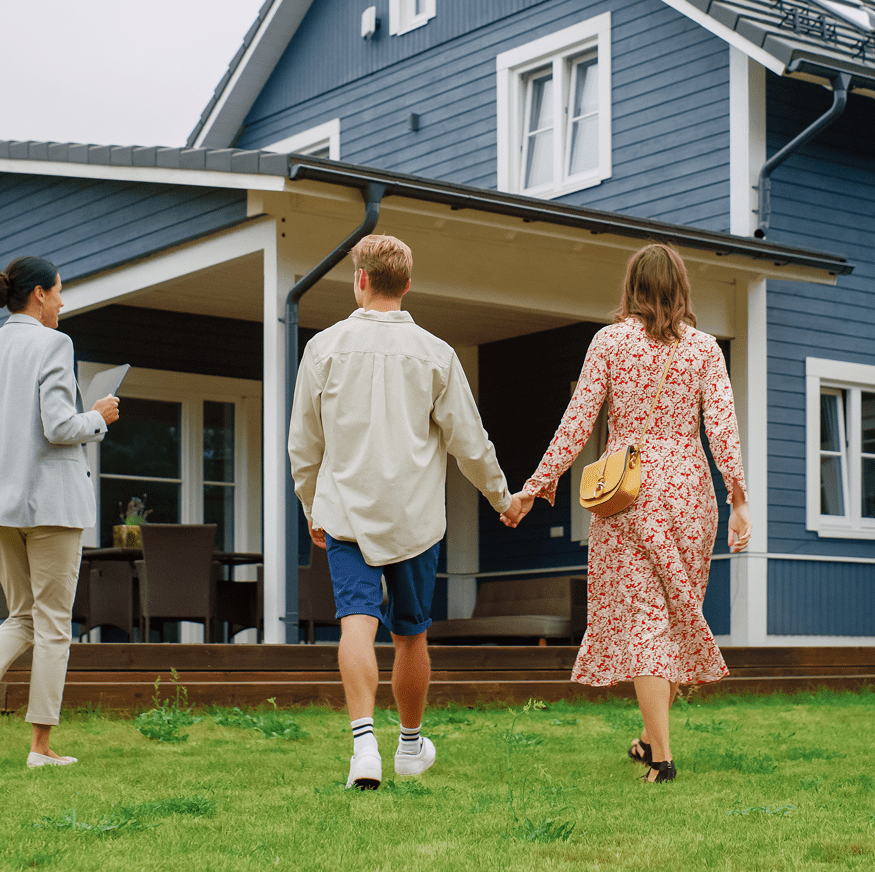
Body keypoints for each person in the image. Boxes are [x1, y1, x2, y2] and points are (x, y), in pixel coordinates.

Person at [503, 243, 751, 784]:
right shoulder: (706, 349)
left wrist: (533, 488)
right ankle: (649, 739)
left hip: (629, 491)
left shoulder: (610, 343)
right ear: (681, 288)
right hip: (690, 492)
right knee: (673, 618)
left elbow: (577, 421)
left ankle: (662, 760)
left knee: (646, 623)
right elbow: (723, 430)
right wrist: (738, 500)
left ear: (632, 287)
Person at [289, 234, 522, 789]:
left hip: (345, 514)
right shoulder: (437, 354)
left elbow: (305, 446)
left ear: (361, 280)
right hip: (416, 522)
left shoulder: (322, 349)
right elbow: (471, 442)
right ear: (407, 284)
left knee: (356, 623)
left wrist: (310, 504)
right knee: (411, 635)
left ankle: (362, 747)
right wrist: (502, 499)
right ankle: (410, 746)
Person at [0, 256, 120, 768]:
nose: (63, 302)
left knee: (22, 614)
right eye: (60, 292)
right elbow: (59, 426)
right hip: (49, 503)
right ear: (40, 294)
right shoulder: (54, 343)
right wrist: (99, 416)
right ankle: (41, 748)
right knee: (52, 624)